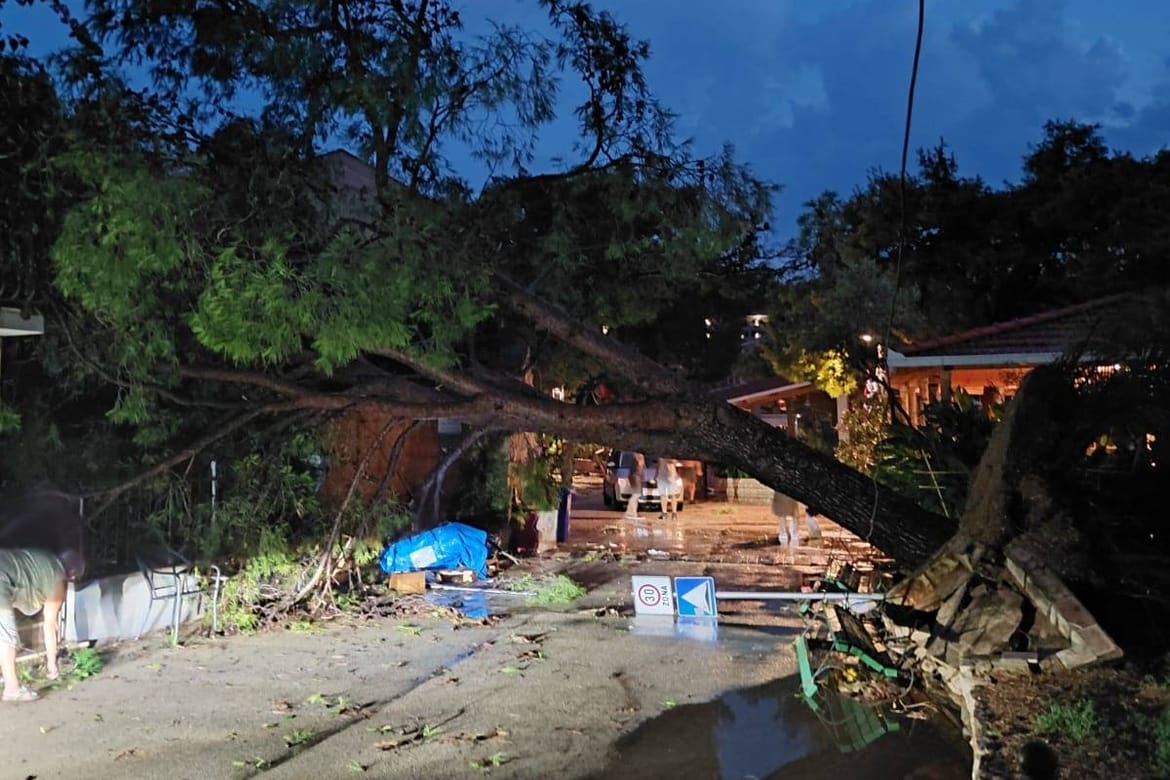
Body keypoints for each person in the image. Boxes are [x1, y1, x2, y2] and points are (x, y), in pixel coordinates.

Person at [0, 547, 68, 702]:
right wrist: (52, 663)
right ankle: (12, 689)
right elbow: (50, 624)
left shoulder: (43, 558)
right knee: (7, 638)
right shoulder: (58, 577)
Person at [623, 452, 645, 520]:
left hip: (636, 475)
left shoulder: (637, 454)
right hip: (635, 475)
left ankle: (633, 512)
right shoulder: (636, 455)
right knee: (636, 494)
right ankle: (630, 512)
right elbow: (640, 464)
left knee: (636, 494)